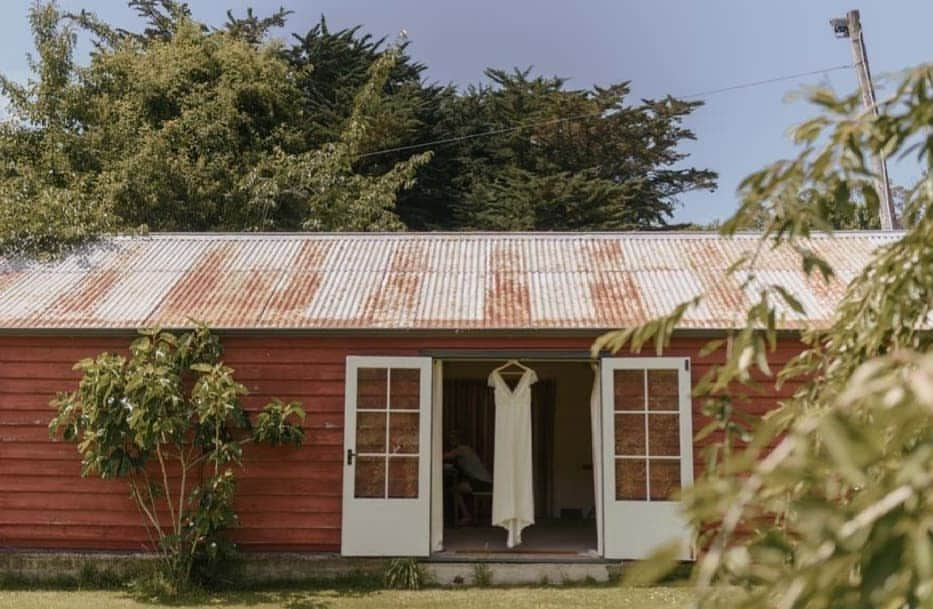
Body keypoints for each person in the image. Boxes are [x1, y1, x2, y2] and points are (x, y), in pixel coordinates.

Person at [444, 431, 492, 526]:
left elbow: (443, 457)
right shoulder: (466, 449)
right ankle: (463, 515)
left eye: (453, 439)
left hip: (481, 482)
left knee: (454, 490)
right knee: (455, 489)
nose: (451, 441)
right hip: (483, 482)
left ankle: (466, 516)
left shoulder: (462, 449)